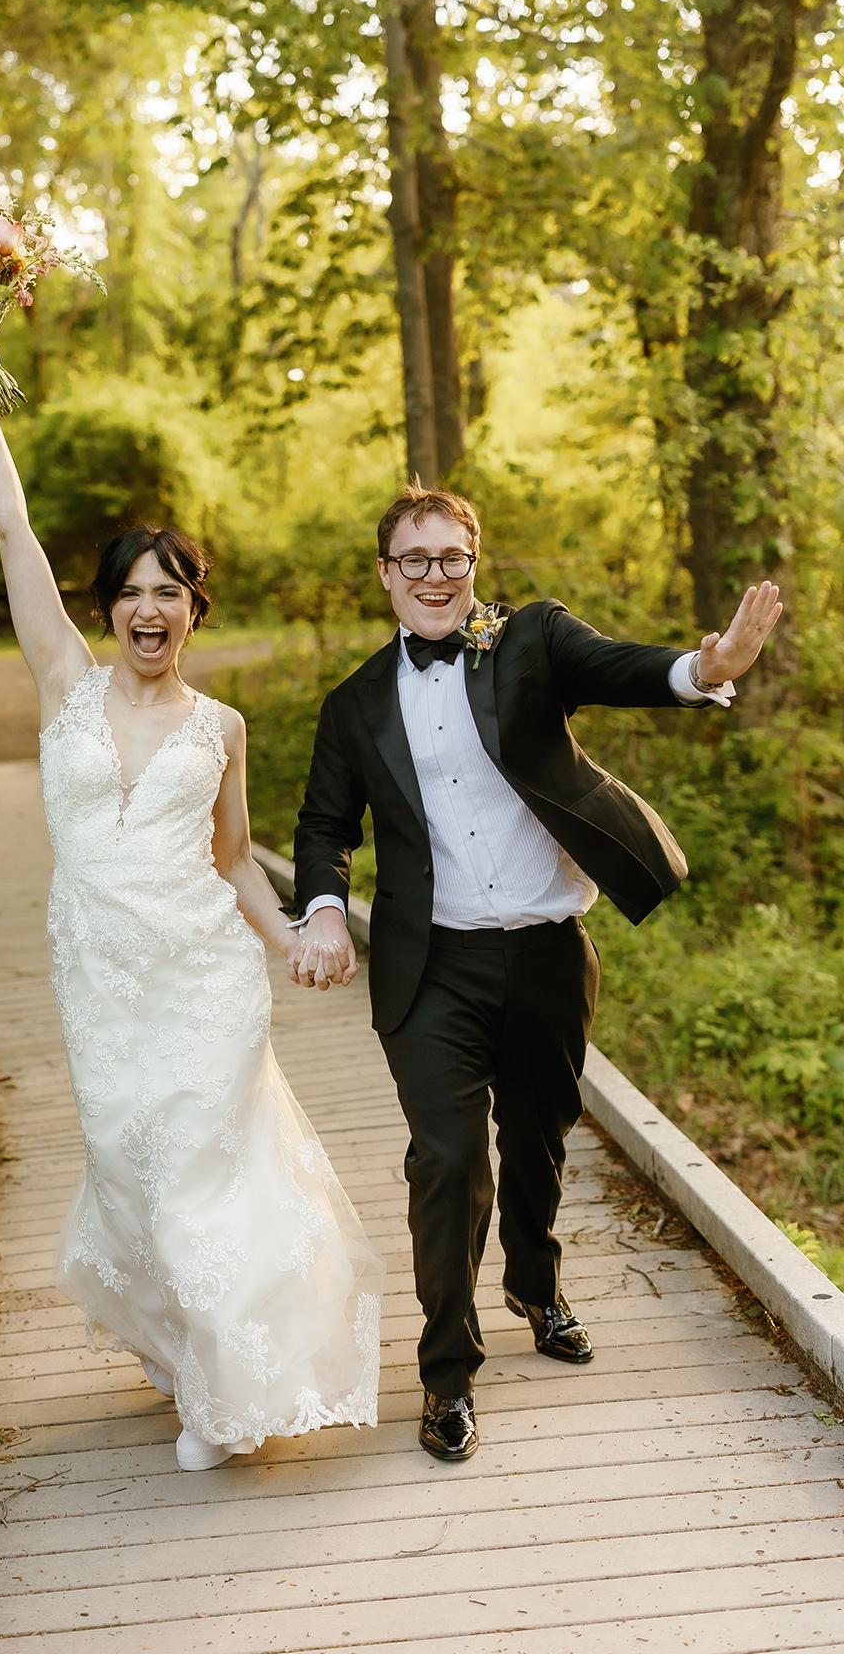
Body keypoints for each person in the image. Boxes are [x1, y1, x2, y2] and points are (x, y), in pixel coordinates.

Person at [0, 334, 383, 1472]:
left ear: (195, 610)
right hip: (100, 979)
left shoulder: (222, 727)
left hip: (203, 975)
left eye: (170, 594)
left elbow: (236, 858)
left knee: (202, 1164)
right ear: (106, 614)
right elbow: (14, 534)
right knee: (130, 1163)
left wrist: (292, 935)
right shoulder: (63, 691)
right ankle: (183, 1348)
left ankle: (225, 1395)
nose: (151, 611)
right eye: (132, 595)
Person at [290, 480, 781, 1463]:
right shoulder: (352, 706)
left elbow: (627, 668)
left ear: (475, 563)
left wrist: (707, 666)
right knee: (448, 1160)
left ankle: (534, 1281)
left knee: (540, 1137)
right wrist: (326, 910)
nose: (435, 577)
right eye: (415, 560)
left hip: (552, 948)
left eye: (452, 558)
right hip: (434, 967)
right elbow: (324, 828)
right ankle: (447, 1377)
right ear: (386, 574)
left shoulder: (531, 641)